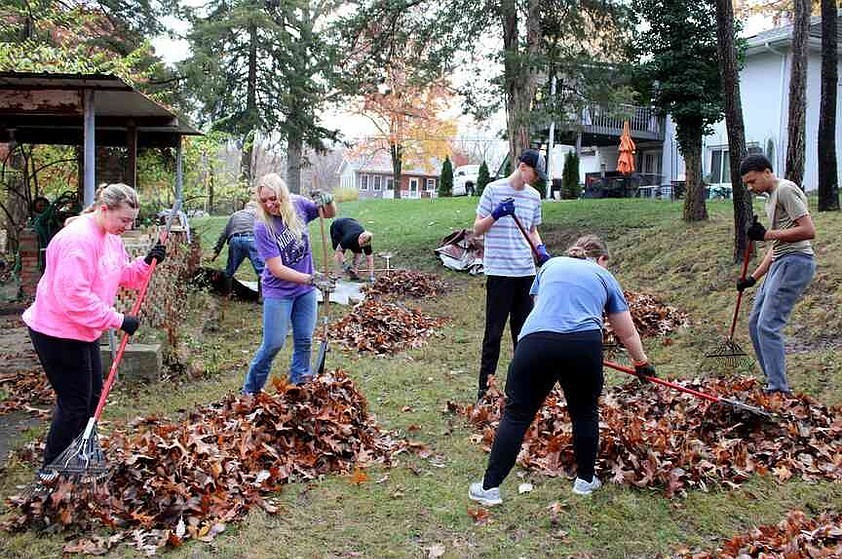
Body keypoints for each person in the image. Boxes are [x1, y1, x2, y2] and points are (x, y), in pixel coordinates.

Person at [468, 235, 656, 505]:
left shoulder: (550, 266)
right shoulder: (604, 276)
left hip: (534, 343)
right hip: (583, 344)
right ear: (601, 259)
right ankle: (585, 481)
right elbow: (626, 332)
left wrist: (557, 343)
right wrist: (641, 363)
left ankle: (489, 488)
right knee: (584, 412)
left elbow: (539, 307)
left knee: (517, 414)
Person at [21, 183, 166, 472]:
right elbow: (73, 298)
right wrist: (118, 320)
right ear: (103, 209)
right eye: (124, 220)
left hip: (83, 329)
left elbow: (121, 273)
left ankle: (77, 454)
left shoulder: (110, 236)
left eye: (132, 221)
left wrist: (146, 262)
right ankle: (52, 468)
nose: (128, 226)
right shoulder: (78, 241)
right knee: (75, 402)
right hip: (56, 331)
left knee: (92, 396)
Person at [242, 173, 337, 393]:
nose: (269, 204)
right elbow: (276, 268)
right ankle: (250, 392)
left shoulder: (299, 205)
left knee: (304, 340)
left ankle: (297, 388)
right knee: (273, 344)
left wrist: (328, 200)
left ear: (283, 194)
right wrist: (312, 278)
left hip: (305, 291)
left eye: (273, 198)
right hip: (279, 291)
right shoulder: (262, 227)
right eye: (264, 201)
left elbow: (329, 214)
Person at [473, 149, 551, 400]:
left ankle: (520, 389)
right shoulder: (493, 190)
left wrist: (540, 249)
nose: (536, 179)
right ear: (522, 166)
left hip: (525, 273)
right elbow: (477, 229)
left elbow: (532, 229)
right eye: (535, 173)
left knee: (523, 334)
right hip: (499, 272)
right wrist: (496, 215)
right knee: (493, 334)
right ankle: (484, 389)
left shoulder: (534, 197)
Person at [736, 154, 816, 394]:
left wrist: (766, 234)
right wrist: (753, 278)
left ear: (767, 172)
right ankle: (772, 380)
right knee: (754, 324)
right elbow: (776, 247)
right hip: (781, 260)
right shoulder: (770, 198)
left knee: (768, 326)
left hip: (796, 262)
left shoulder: (785, 190)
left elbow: (808, 230)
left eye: (753, 181)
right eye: (747, 184)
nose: (751, 188)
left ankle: (778, 390)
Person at [210, 201, 265, 291]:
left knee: (229, 271)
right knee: (262, 272)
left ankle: (227, 295)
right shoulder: (258, 214)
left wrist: (216, 252)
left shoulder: (235, 215)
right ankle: (261, 298)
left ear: (245, 207)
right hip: (252, 240)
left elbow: (224, 234)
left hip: (235, 240)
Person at [329, 216, 374, 282]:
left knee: (358, 252)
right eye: (362, 243)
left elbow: (370, 259)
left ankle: (354, 273)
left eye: (364, 245)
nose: (363, 245)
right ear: (361, 237)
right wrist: (345, 264)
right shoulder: (349, 238)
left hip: (351, 225)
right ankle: (336, 275)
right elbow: (338, 250)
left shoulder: (367, 242)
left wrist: (371, 276)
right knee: (340, 252)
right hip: (338, 227)